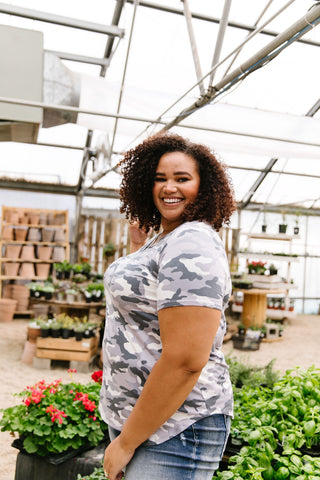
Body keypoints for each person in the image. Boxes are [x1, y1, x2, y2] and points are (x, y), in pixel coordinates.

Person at [99, 132, 237, 480]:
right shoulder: (167, 236)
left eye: (182, 179)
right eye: (159, 179)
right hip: (144, 418)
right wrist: (137, 248)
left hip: (175, 428)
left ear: (204, 187)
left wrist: (126, 443)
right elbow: (148, 300)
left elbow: (187, 360)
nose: (168, 187)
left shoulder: (193, 240)